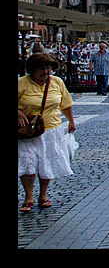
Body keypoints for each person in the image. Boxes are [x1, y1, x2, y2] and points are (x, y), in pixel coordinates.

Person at [18, 52, 76, 212]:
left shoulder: (57, 82)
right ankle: (28, 197)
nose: (45, 72)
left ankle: (43, 195)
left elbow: (66, 103)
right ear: (32, 70)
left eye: (48, 69)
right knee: (28, 162)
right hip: (28, 131)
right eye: (41, 69)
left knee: (47, 161)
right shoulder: (21, 83)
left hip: (52, 128)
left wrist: (71, 121)